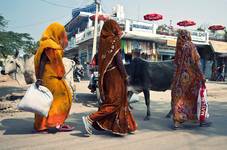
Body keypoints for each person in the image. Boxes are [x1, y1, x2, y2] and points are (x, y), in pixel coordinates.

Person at [82, 19, 137, 135]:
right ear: (113, 28)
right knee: (115, 102)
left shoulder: (103, 42)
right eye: (116, 27)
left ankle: (126, 125)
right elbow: (118, 61)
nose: (118, 29)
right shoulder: (114, 41)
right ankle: (91, 118)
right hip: (115, 76)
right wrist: (125, 75)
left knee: (119, 100)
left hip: (107, 76)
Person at [34, 22, 74, 133]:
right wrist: (40, 79)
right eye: (61, 33)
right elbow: (42, 61)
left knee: (46, 102)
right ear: (55, 32)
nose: (63, 35)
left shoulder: (49, 44)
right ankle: (56, 123)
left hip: (51, 77)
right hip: (50, 78)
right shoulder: (49, 45)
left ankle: (47, 125)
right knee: (63, 99)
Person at [171, 29, 210, 129]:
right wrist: (202, 75)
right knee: (196, 97)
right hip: (191, 78)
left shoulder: (178, 47)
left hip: (178, 79)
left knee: (178, 99)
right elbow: (197, 61)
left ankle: (177, 121)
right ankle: (199, 119)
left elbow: (175, 64)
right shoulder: (191, 46)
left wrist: (174, 79)